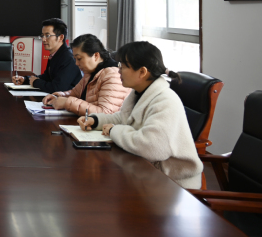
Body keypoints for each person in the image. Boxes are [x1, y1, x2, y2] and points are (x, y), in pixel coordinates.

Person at [77, 41, 202, 189]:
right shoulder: (139, 92)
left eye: (123, 66)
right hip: (147, 172)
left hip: (172, 185)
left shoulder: (165, 101)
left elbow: (152, 147)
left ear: (142, 72)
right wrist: (95, 120)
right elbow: (123, 118)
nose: (119, 71)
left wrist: (113, 130)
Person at [42, 34, 130, 115]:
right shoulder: (91, 72)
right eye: (75, 59)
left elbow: (105, 113)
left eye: (79, 58)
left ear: (96, 56)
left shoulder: (112, 75)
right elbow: (75, 93)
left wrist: (66, 102)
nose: (76, 63)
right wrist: (58, 96)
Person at [12, 18, 82, 93]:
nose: (43, 39)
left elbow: (58, 88)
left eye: (47, 36)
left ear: (61, 37)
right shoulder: (55, 54)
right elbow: (47, 77)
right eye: (42, 36)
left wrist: (36, 82)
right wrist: (25, 79)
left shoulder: (69, 58)